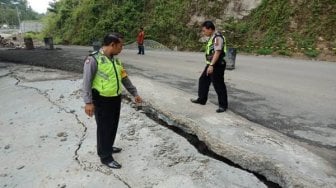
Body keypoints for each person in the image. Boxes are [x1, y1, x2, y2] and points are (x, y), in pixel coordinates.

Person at [82, 33, 142, 169]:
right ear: (112, 45)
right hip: (102, 100)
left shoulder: (116, 60)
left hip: (115, 98)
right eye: (121, 46)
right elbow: (86, 82)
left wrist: (134, 93)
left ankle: (108, 146)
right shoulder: (93, 59)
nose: (122, 49)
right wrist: (88, 102)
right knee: (104, 128)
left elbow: (124, 78)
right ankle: (105, 157)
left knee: (113, 125)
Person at [191, 21, 228, 113]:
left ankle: (223, 106)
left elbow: (218, 52)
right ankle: (202, 99)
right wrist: (210, 64)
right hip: (211, 64)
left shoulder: (217, 37)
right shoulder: (212, 37)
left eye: (204, 31)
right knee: (203, 80)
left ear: (210, 29)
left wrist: (211, 65)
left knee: (218, 85)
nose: (204, 33)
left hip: (217, 65)